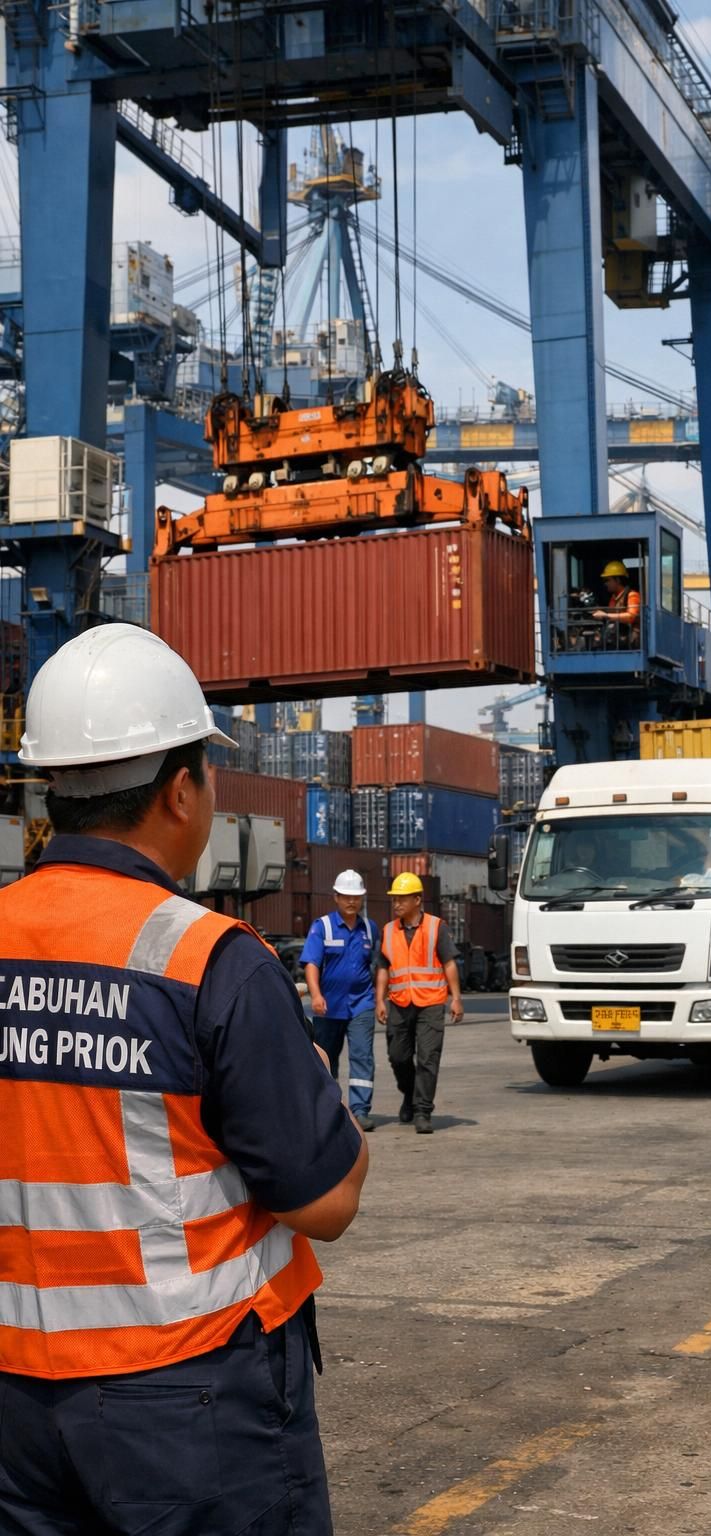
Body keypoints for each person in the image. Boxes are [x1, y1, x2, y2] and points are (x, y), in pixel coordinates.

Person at [0, 623, 367, 1535]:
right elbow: (323, 1200)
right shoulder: (210, 962)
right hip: (189, 1396)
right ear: (180, 790)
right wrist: (329, 1103)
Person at [375, 871, 463, 1135]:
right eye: (394, 899)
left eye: (402, 899)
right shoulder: (389, 930)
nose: (397, 904)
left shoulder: (437, 927)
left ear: (417, 900)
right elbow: (383, 968)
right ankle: (410, 1094)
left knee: (428, 1058)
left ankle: (422, 1110)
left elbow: (449, 963)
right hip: (400, 1003)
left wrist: (456, 998)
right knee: (397, 1056)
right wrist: (379, 999)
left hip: (431, 1003)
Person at [301, 868, 380, 1132]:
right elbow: (312, 964)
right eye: (346, 896)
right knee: (325, 1058)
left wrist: (379, 999)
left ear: (362, 899)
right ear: (336, 897)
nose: (351, 901)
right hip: (328, 1006)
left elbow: (378, 967)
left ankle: (360, 1111)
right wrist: (316, 994)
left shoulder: (370, 929)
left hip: (362, 1004)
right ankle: (329, 1108)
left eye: (356, 897)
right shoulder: (321, 926)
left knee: (362, 1056)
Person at [592, 560, 641, 642]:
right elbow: (612, 613)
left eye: (608, 580)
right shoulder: (614, 597)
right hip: (617, 637)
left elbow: (631, 616)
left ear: (618, 580)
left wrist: (606, 615)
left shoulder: (632, 595)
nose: (606, 584)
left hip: (630, 639)